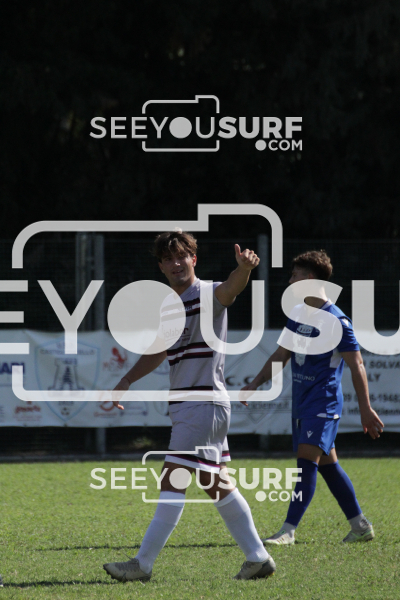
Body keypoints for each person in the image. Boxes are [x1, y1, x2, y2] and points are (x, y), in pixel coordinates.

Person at [103, 230, 276, 581]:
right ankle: (258, 557)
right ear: (160, 267)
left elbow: (231, 288)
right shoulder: (170, 306)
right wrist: (126, 380)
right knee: (216, 484)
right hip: (194, 405)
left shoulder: (208, 293)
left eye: (181, 256)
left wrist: (243, 269)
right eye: (167, 259)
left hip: (202, 402)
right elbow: (159, 351)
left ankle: (142, 564)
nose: (175, 263)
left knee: (172, 478)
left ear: (193, 259)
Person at [242, 250, 384, 545]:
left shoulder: (337, 320)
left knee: (306, 462)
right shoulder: (298, 314)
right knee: (329, 466)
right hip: (303, 403)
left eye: (294, 275)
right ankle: (360, 526)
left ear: (308, 279)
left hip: (323, 404)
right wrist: (255, 383)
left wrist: (366, 409)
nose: (290, 281)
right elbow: (281, 354)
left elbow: (357, 365)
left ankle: (288, 530)